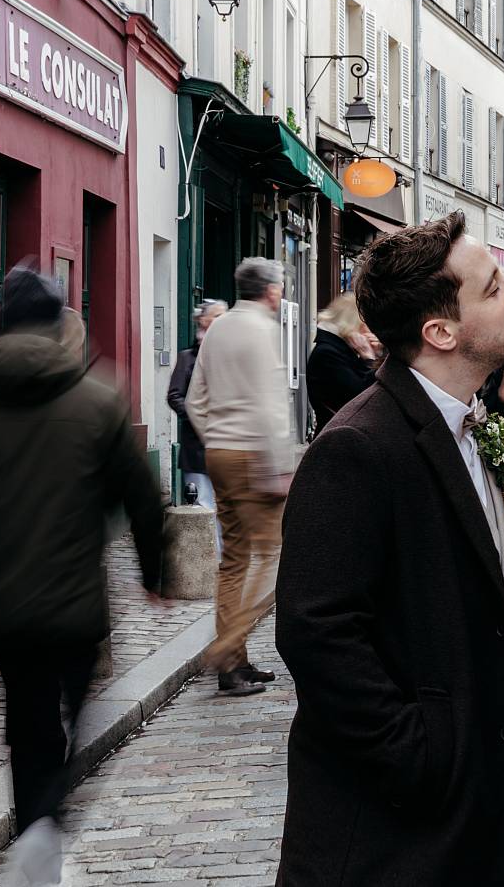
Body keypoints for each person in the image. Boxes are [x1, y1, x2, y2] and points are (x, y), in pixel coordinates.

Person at [276, 212, 504, 885]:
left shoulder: (469, 425)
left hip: (470, 824)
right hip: (394, 840)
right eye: (491, 285)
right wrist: (420, 755)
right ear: (440, 331)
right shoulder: (357, 447)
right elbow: (316, 630)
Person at [0, 267, 164, 887]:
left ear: (1, 324)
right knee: (73, 716)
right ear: (59, 327)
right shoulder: (99, 398)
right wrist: (155, 573)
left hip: (6, 601)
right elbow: (140, 496)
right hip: (78, 602)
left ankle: (35, 825)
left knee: (27, 720)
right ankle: (44, 824)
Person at [187, 258, 291, 697]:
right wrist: (279, 465)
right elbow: (271, 406)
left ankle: (235, 665)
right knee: (272, 558)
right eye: (281, 287)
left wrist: (215, 438)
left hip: (220, 453)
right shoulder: (264, 329)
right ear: (270, 291)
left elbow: (195, 397)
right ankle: (227, 646)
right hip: (254, 455)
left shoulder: (220, 328)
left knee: (233, 560)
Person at [168, 299, 227, 512]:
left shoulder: (229, 355)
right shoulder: (188, 358)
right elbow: (175, 395)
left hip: (227, 444)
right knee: (203, 506)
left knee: (227, 510)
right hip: (197, 446)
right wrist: (197, 416)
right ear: (203, 320)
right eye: (218, 316)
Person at [304, 291, 377, 432]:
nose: (367, 331)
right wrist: (369, 359)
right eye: (363, 325)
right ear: (351, 324)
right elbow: (363, 396)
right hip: (339, 436)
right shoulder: (328, 354)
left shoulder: (338, 350)